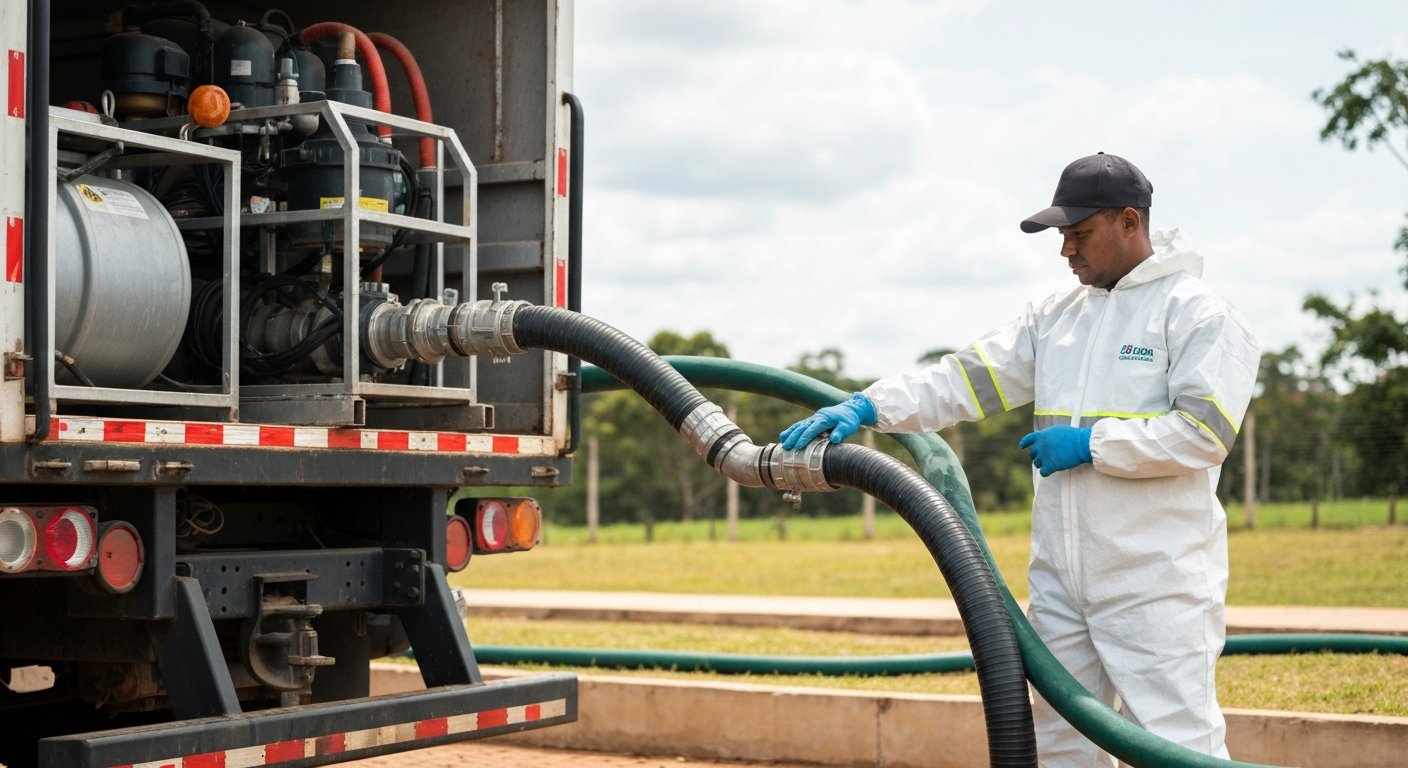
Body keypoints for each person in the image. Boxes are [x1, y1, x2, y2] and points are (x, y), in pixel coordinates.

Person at [780, 153, 1259, 766]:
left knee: (1171, 742)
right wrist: (868, 406)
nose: (1066, 251)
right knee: (1062, 740)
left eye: (1079, 234)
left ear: (1130, 223)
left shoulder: (1196, 314)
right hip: (1060, 577)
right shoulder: (1056, 319)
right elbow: (965, 379)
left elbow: (1203, 434)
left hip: (1153, 579)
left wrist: (1093, 445)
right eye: (1063, 236)